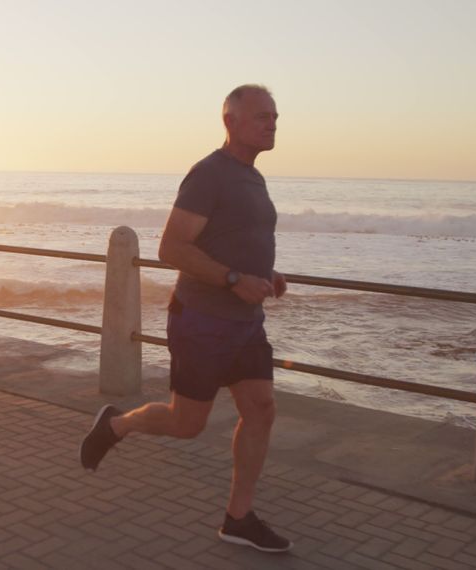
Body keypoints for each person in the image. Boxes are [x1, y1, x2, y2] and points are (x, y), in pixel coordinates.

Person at [80, 84, 290, 553]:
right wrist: (234, 278)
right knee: (187, 422)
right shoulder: (209, 174)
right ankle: (116, 425)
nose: (272, 124)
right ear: (230, 122)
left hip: (246, 322)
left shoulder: (253, 178)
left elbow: (230, 238)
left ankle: (238, 517)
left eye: (275, 117)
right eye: (262, 116)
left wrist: (264, 273)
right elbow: (171, 247)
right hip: (202, 320)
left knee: (261, 410)